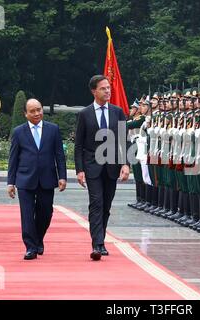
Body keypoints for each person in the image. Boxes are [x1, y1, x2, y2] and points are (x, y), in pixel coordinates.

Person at [74, 75, 130, 261]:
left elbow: (124, 140)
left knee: (106, 205)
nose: (108, 91)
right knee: (96, 203)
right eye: (103, 88)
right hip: (92, 167)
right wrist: (79, 170)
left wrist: (125, 164)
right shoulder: (85, 114)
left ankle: (101, 238)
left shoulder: (117, 112)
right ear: (94, 91)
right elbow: (79, 145)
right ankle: (97, 244)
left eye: (108, 88)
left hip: (112, 166)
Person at [7, 98, 67, 260]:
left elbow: (59, 155)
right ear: (25, 114)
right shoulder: (19, 132)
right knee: (27, 214)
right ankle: (30, 247)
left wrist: (62, 176)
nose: (36, 113)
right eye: (32, 111)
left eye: (39, 109)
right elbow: (13, 158)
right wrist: (10, 182)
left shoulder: (53, 129)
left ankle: (38, 238)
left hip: (47, 178)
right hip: (25, 179)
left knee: (46, 212)